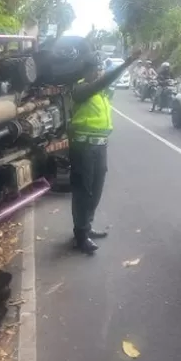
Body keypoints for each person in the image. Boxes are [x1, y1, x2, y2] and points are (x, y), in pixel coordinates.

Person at [69, 48, 142, 254]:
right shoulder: (80, 90)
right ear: (87, 72)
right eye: (96, 69)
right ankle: (80, 236)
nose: (100, 72)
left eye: (101, 69)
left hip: (100, 146)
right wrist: (126, 63)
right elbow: (104, 82)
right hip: (83, 147)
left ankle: (87, 227)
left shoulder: (100, 94)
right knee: (83, 191)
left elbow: (108, 84)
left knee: (96, 189)